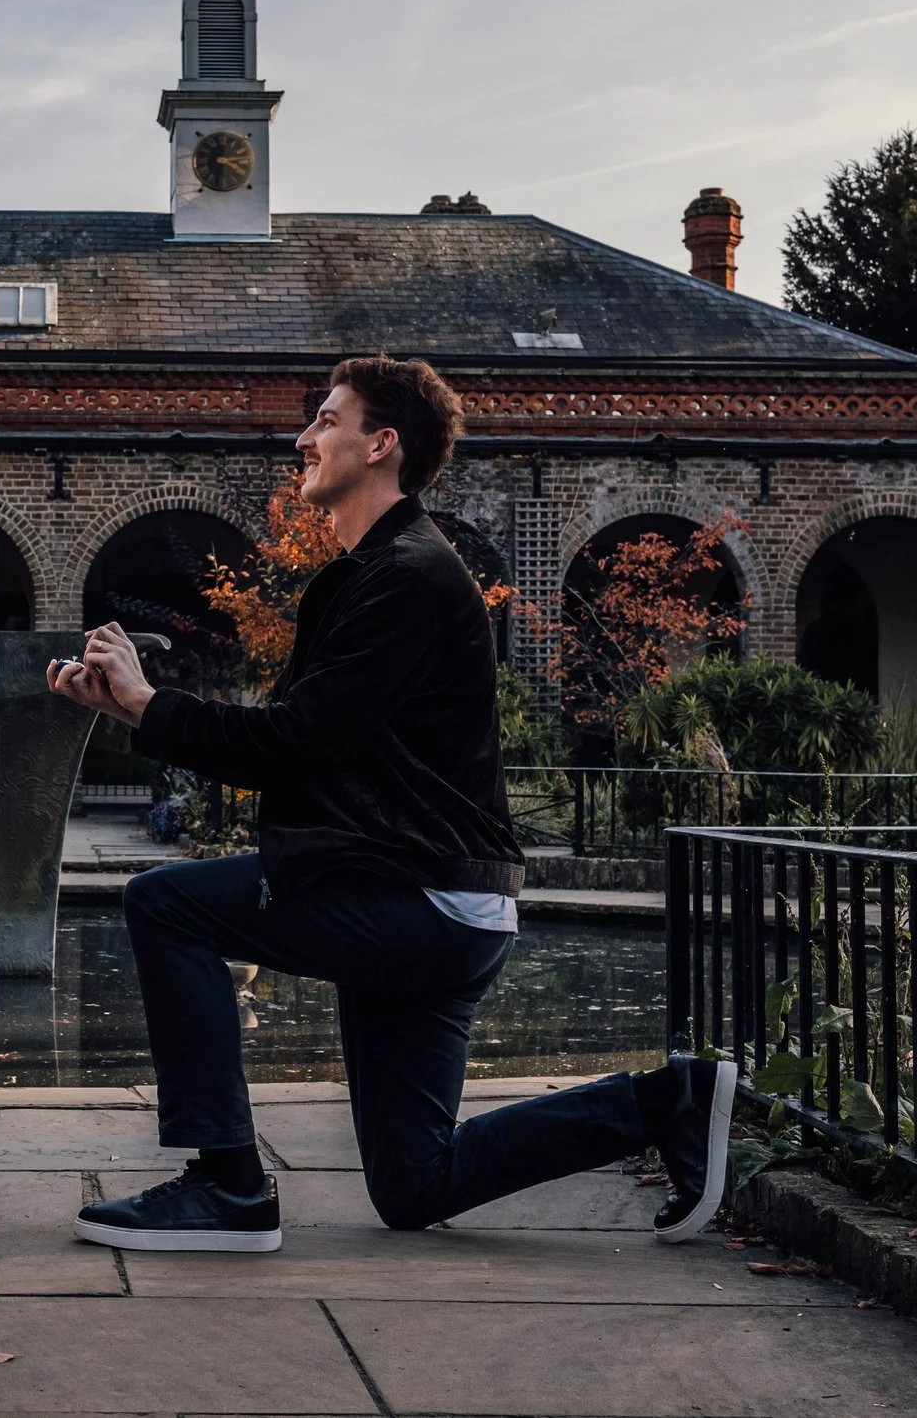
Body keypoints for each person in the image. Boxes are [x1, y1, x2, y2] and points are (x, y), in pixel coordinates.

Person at [46, 356, 734, 1253]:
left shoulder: (406, 575)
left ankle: (227, 1184)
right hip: (423, 898)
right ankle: (666, 1101)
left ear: (381, 444)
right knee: (414, 1184)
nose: (305, 437)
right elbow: (303, 737)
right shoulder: (381, 572)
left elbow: (291, 743)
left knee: (165, 904)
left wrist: (147, 703)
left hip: (426, 899)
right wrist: (131, 710)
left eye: (327, 420)